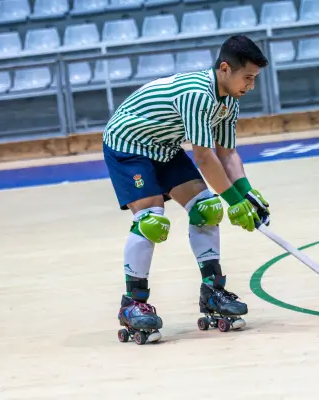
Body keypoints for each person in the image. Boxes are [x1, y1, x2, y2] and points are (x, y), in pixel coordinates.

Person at [102, 35, 271, 342]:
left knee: (206, 208)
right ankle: (133, 303)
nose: (251, 85)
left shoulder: (228, 100)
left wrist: (246, 193)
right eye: (248, 77)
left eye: (254, 79)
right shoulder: (198, 94)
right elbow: (205, 159)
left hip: (163, 146)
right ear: (224, 69)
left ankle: (212, 291)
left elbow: (226, 153)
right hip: (130, 146)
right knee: (151, 220)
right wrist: (235, 201)